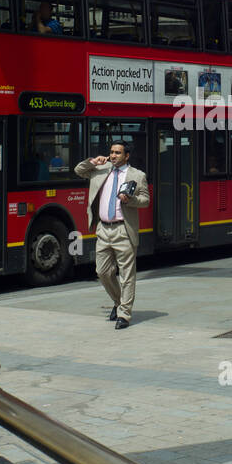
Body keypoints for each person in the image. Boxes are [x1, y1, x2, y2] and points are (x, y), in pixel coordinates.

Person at [75, 141, 150, 329]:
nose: (114, 155)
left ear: (127, 156)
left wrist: (131, 199)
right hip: (103, 229)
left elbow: (145, 201)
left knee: (126, 275)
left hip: (123, 229)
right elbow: (78, 170)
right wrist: (93, 162)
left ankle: (124, 314)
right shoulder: (101, 169)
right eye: (112, 152)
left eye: (118, 153)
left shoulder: (137, 175)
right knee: (102, 272)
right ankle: (118, 303)